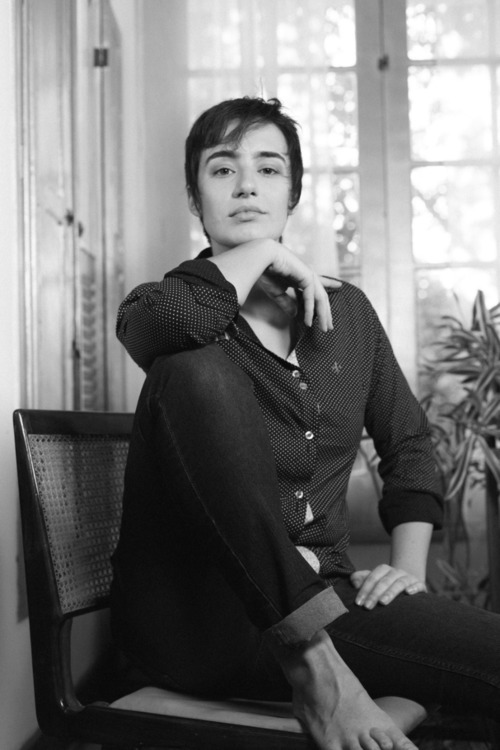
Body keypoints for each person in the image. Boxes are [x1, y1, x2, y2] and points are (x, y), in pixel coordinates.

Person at [110, 96, 500, 750]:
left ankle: (315, 647)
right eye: (222, 169)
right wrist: (260, 252)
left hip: (331, 598)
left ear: (293, 193)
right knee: (193, 367)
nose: (246, 186)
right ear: (195, 196)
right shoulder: (168, 309)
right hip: (200, 624)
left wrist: (407, 570)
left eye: (268, 169)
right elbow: (165, 329)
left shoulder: (349, 317)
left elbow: (409, 444)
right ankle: (314, 667)